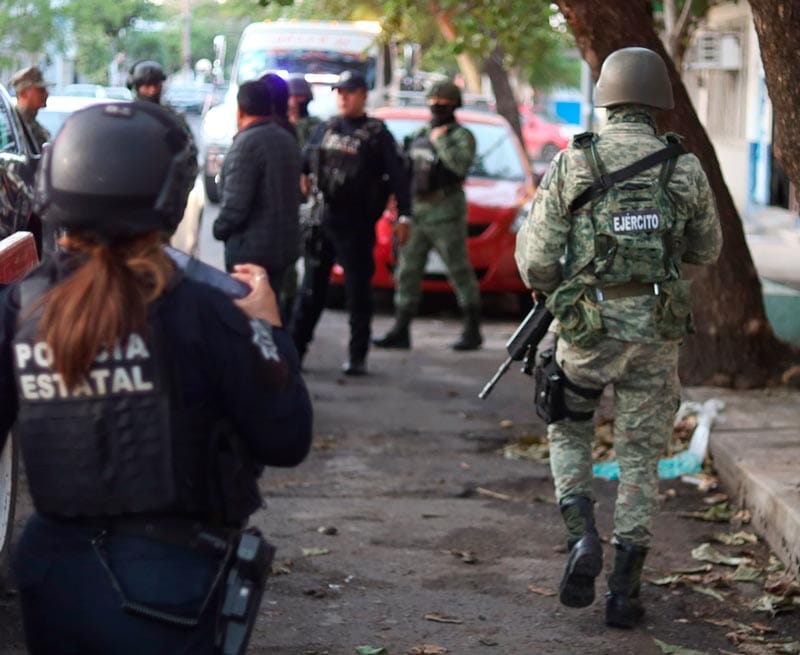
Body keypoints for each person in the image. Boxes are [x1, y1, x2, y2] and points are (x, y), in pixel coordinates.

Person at [0, 101, 313, 654]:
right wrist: (270, 330)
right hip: (169, 577)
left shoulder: (18, 308)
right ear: (169, 199)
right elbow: (285, 437)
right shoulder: (204, 310)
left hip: (50, 574)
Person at [514, 47, 722, 628]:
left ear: (606, 96)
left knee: (568, 423)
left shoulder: (575, 163)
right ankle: (625, 592)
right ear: (659, 101)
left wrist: (554, 289)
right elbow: (707, 250)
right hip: (656, 333)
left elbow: (536, 260)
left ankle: (582, 538)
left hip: (588, 329)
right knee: (639, 459)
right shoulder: (683, 167)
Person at [289, 69, 412, 376]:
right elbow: (304, 162)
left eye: (350, 92)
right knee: (311, 291)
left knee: (358, 293)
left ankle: (357, 356)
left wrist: (405, 216)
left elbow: (399, 177)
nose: (343, 97)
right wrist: (302, 176)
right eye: (339, 92)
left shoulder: (377, 133)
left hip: (356, 224)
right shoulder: (326, 129)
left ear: (363, 95)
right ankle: (295, 351)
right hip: (322, 220)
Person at [373, 79, 481, 351]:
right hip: (419, 212)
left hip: (446, 214)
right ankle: (401, 328)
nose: (436, 108)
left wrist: (441, 141)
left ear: (454, 105)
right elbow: (406, 171)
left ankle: (472, 329)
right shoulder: (419, 133)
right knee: (407, 271)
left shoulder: (460, 136)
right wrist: (400, 207)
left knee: (458, 271)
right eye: (433, 103)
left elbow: (459, 166)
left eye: (443, 104)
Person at [212, 80, 302, 297]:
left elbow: (235, 206)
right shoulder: (287, 138)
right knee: (272, 312)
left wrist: (219, 229)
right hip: (283, 248)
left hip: (251, 255)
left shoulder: (246, 144)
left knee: (249, 319)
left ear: (240, 110)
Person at [281, 74, 322, 321]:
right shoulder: (280, 124)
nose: (297, 100)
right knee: (286, 260)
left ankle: (301, 308)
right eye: (292, 96)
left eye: (301, 96)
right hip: (286, 201)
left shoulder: (317, 126)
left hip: (311, 202)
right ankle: (287, 306)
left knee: (311, 260)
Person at [9, 66, 51, 151]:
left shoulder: (37, 128)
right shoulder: (10, 125)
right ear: (23, 93)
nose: (47, 94)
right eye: (40, 90)